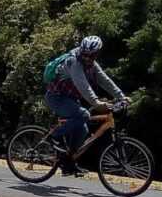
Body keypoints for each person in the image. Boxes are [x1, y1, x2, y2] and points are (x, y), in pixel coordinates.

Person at [44, 35, 130, 176]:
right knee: (84, 114)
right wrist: (96, 102)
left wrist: (121, 96)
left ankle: (68, 163)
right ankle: (54, 136)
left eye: (91, 55)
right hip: (56, 97)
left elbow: (104, 80)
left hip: (70, 99)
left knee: (82, 129)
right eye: (85, 53)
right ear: (82, 50)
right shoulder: (74, 62)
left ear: (96, 54)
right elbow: (83, 86)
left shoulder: (92, 65)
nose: (87, 57)